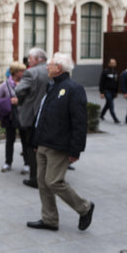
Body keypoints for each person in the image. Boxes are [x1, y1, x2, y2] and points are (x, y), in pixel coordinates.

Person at [26, 52, 94, 231]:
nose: (47, 67)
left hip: (59, 146)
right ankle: (49, 219)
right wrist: (35, 141)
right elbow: (43, 115)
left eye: (50, 64)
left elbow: (79, 122)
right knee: (42, 182)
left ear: (59, 68)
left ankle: (84, 207)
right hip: (43, 144)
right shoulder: (52, 87)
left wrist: (75, 151)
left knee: (54, 182)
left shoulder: (73, 89)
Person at [15, 48, 50, 189]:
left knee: (30, 146)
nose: (28, 61)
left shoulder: (31, 72)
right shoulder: (51, 71)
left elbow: (19, 90)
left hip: (31, 115)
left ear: (38, 59)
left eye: (30, 58)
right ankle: (46, 176)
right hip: (47, 116)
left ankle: (34, 178)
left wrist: (23, 101)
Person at [0, 62, 28, 174]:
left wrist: (20, 101)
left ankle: (27, 163)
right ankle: (8, 162)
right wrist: (9, 101)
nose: (23, 73)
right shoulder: (5, 85)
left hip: (24, 115)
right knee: (10, 140)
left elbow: (30, 98)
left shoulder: (26, 83)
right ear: (15, 72)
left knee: (25, 140)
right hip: (11, 116)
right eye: (21, 71)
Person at [99, 58, 120, 124]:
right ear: (109, 64)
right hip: (106, 91)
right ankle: (115, 119)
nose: (114, 64)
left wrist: (116, 92)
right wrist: (101, 92)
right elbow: (101, 82)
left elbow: (117, 83)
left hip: (113, 92)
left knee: (108, 104)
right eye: (112, 63)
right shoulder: (105, 72)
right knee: (111, 105)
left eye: (114, 63)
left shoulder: (116, 72)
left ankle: (101, 115)